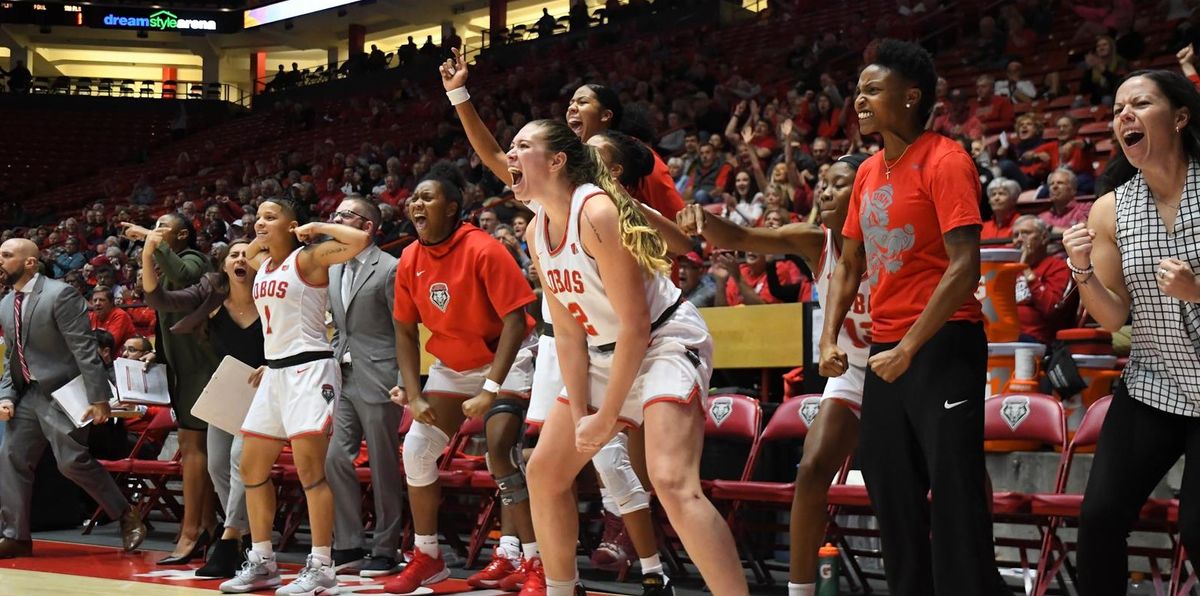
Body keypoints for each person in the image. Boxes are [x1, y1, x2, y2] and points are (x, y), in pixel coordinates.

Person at [440, 50, 690, 594]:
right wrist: (460, 96)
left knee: (613, 457)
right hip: (568, 335)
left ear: (607, 122)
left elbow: (679, 241)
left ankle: (647, 563)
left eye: (585, 101)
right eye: (570, 101)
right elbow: (494, 158)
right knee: (544, 459)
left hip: (628, 332)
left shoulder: (614, 187)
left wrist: (657, 254)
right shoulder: (544, 203)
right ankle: (546, 568)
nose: (573, 106)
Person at [515, 116, 748, 596]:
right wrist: (581, 415)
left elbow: (638, 325)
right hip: (604, 350)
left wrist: (604, 421)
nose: (509, 157)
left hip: (663, 341)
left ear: (557, 161)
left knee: (671, 481)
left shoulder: (596, 211)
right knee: (544, 472)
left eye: (521, 147)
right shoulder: (538, 229)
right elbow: (567, 333)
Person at [818, 39, 1008, 596]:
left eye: (873, 89)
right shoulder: (867, 172)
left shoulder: (946, 160)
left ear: (911, 98)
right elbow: (850, 263)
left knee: (954, 486)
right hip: (887, 348)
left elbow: (965, 266)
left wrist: (909, 347)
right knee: (886, 479)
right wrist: (830, 338)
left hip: (945, 343)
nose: (859, 99)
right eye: (858, 90)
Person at [677, 154, 871, 596]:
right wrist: (705, 221)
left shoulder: (890, 240)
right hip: (851, 369)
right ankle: (799, 590)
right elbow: (745, 235)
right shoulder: (815, 240)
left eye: (837, 185)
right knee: (812, 468)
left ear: (863, 194)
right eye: (823, 183)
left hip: (898, 366)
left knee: (922, 475)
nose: (824, 192)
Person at [1062, 69, 1200, 595]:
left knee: (1198, 528)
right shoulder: (1110, 209)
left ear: (1180, 117)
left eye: (1140, 104)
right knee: (1098, 518)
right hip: (1154, 383)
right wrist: (1081, 271)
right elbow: (1114, 317)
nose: (1125, 116)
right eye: (1119, 108)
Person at [382, 168, 540, 594]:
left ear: (451, 208)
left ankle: (531, 560)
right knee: (416, 450)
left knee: (501, 452)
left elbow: (514, 321)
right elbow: (403, 331)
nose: (416, 204)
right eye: (413, 197)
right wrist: (414, 395)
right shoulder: (410, 259)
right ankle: (428, 556)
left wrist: (490, 387)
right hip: (452, 366)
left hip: (503, 359)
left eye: (427, 197)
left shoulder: (484, 249)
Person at [219, 198, 370, 594]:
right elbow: (249, 252)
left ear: (293, 225)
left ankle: (322, 566)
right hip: (275, 372)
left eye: (271, 216)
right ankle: (263, 560)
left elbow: (358, 238)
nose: (260, 223)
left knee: (310, 473)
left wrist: (316, 226)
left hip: (309, 370)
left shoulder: (309, 259)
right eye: (257, 216)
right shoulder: (263, 264)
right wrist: (266, 234)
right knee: (251, 469)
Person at [0, 238, 146, 558]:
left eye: (7, 255)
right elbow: (14, 356)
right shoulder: (5, 302)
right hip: (28, 394)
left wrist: (99, 398)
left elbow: (84, 349)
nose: (1, 261)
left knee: (71, 463)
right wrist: (6, 395)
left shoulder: (59, 294)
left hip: (63, 393)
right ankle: (16, 536)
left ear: (29, 263)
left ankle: (125, 514)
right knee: (10, 457)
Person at [143, 239, 263, 578]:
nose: (241, 259)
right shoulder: (212, 298)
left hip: (263, 388)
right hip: (227, 386)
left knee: (240, 462)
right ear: (223, 266)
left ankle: (230, 540)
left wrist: (273, 365)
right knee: (218, 469)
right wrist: (148, 253)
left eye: (247, 254)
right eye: (233, 255)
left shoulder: (271, 295)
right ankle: (247, 536)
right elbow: (161, 299)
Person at [121, 213, 221, 566]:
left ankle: (191, 532)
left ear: (182, 234)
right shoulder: (169, 266)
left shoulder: (197, 260)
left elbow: (182, 275)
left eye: (165, 227)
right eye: (156, 226)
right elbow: (158, 305)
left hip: (203, 369)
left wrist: (150, 237)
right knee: (198, 453)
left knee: (194, 451)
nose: (158, 232)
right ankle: (207, 525)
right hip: (183, 370)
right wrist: (154, 353)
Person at [323, 197, 406, 578]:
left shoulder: (390, 268)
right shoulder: (334, 267)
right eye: (335, 214)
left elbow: (404, 331)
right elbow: (341, 327)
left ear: (368, 226)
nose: (335, 220)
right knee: (335, 459)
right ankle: (349, 544)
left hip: (382, 378)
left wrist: (406, 382)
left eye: (344, 216)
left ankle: (387, 547)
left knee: (383, 465)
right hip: (344, 376)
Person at [1012, 215, 1076, 345]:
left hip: (1037, 340)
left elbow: (1051, 308)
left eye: (1026, 233)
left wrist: (1026, 269)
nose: (1019, 239)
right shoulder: (1009, 269)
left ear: (1044, 238)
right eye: (1015, 235)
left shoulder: (1058, 267)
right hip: (1006, 336)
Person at [88, 285, 135, 352]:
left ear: (111, 302)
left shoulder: (120, 315)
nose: (97, 303)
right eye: (95, 300)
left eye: (102, 300)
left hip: (121, 358)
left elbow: (109, 345)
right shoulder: (91, 315)